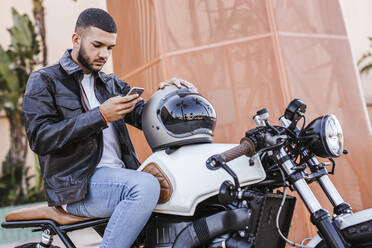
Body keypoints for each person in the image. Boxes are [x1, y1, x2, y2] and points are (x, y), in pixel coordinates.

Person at [23, 8, 194, 248]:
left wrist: (168, 94)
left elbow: (145, 116)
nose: (104, 54)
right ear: (76, 40)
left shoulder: (111, 83)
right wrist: (100, 116)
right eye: (97, 45)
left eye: (109, 48)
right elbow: (40, 138)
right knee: (144, 185)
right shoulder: (45, 80)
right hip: (79, 187)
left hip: (119, 178)